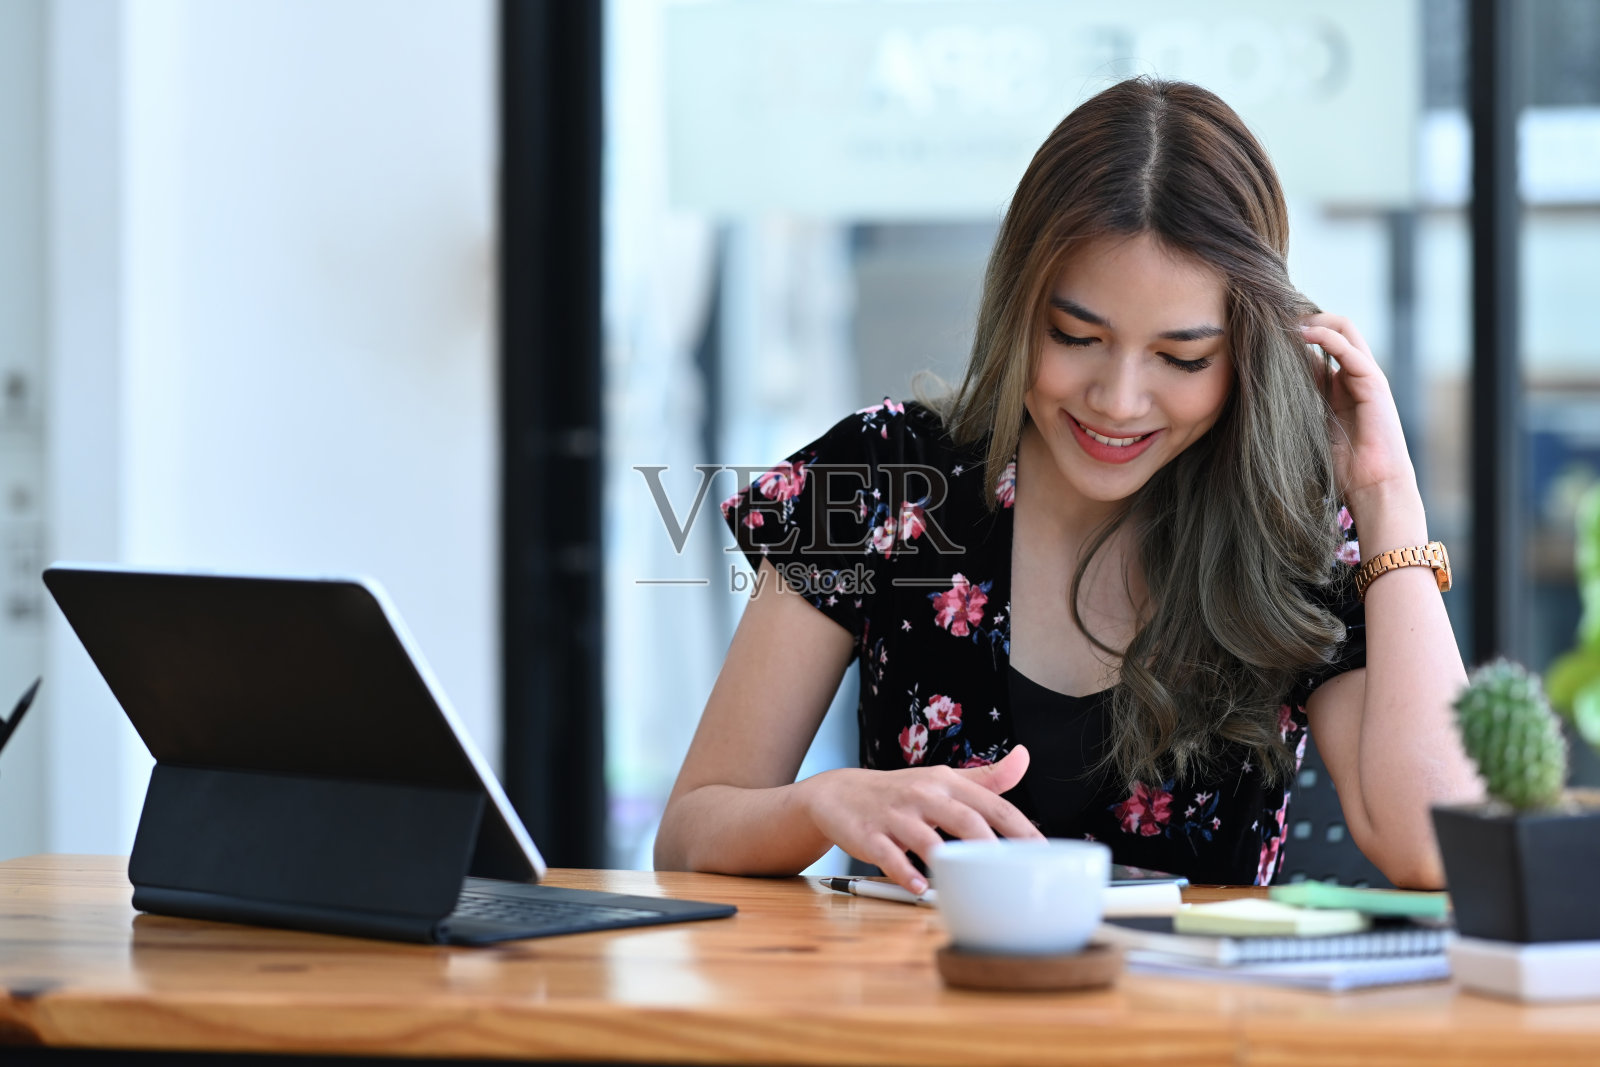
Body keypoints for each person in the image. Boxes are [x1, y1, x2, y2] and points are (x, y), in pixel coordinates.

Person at [654, 77, 1483, 891]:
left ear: (1245, 354)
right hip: (919, 1021)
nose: (1119, 400)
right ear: (1021, 305)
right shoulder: (885, 475)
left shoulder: (1291, 525)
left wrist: (1384, 494)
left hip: (1194, 1027)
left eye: (1182, 357)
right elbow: (691, 831)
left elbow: (1441, 849)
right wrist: (824, 802)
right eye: (1076, 336)